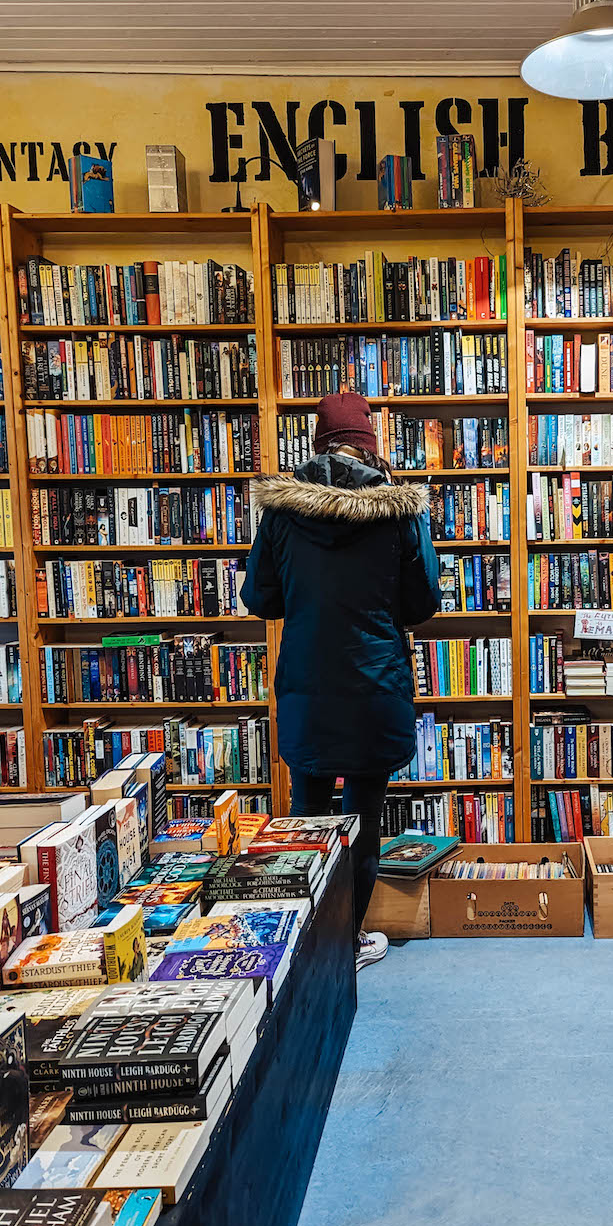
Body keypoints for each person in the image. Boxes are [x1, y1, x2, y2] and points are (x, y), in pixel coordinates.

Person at [242, 392, 441, 969]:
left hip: (307, 683)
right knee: (364, 815)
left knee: (307, 816)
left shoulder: (281, 513)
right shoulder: (400, 512)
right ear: (369, 448)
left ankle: (306, 949)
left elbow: (260, 598)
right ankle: (348, 940)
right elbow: (422, 602)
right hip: (374, 685)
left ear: (315, 448)